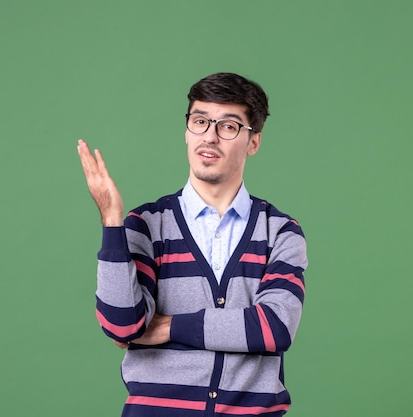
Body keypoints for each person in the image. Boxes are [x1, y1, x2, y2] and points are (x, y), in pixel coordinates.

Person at [77, 72, 308, 417]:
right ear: (187, 132)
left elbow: (273, 328)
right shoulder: (146, 225)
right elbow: (122, 327)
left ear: (253, 141)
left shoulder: (279, 231)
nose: (209, 137)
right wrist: (112, 221)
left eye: (228, 126)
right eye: (200, 121)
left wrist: (170, 326)